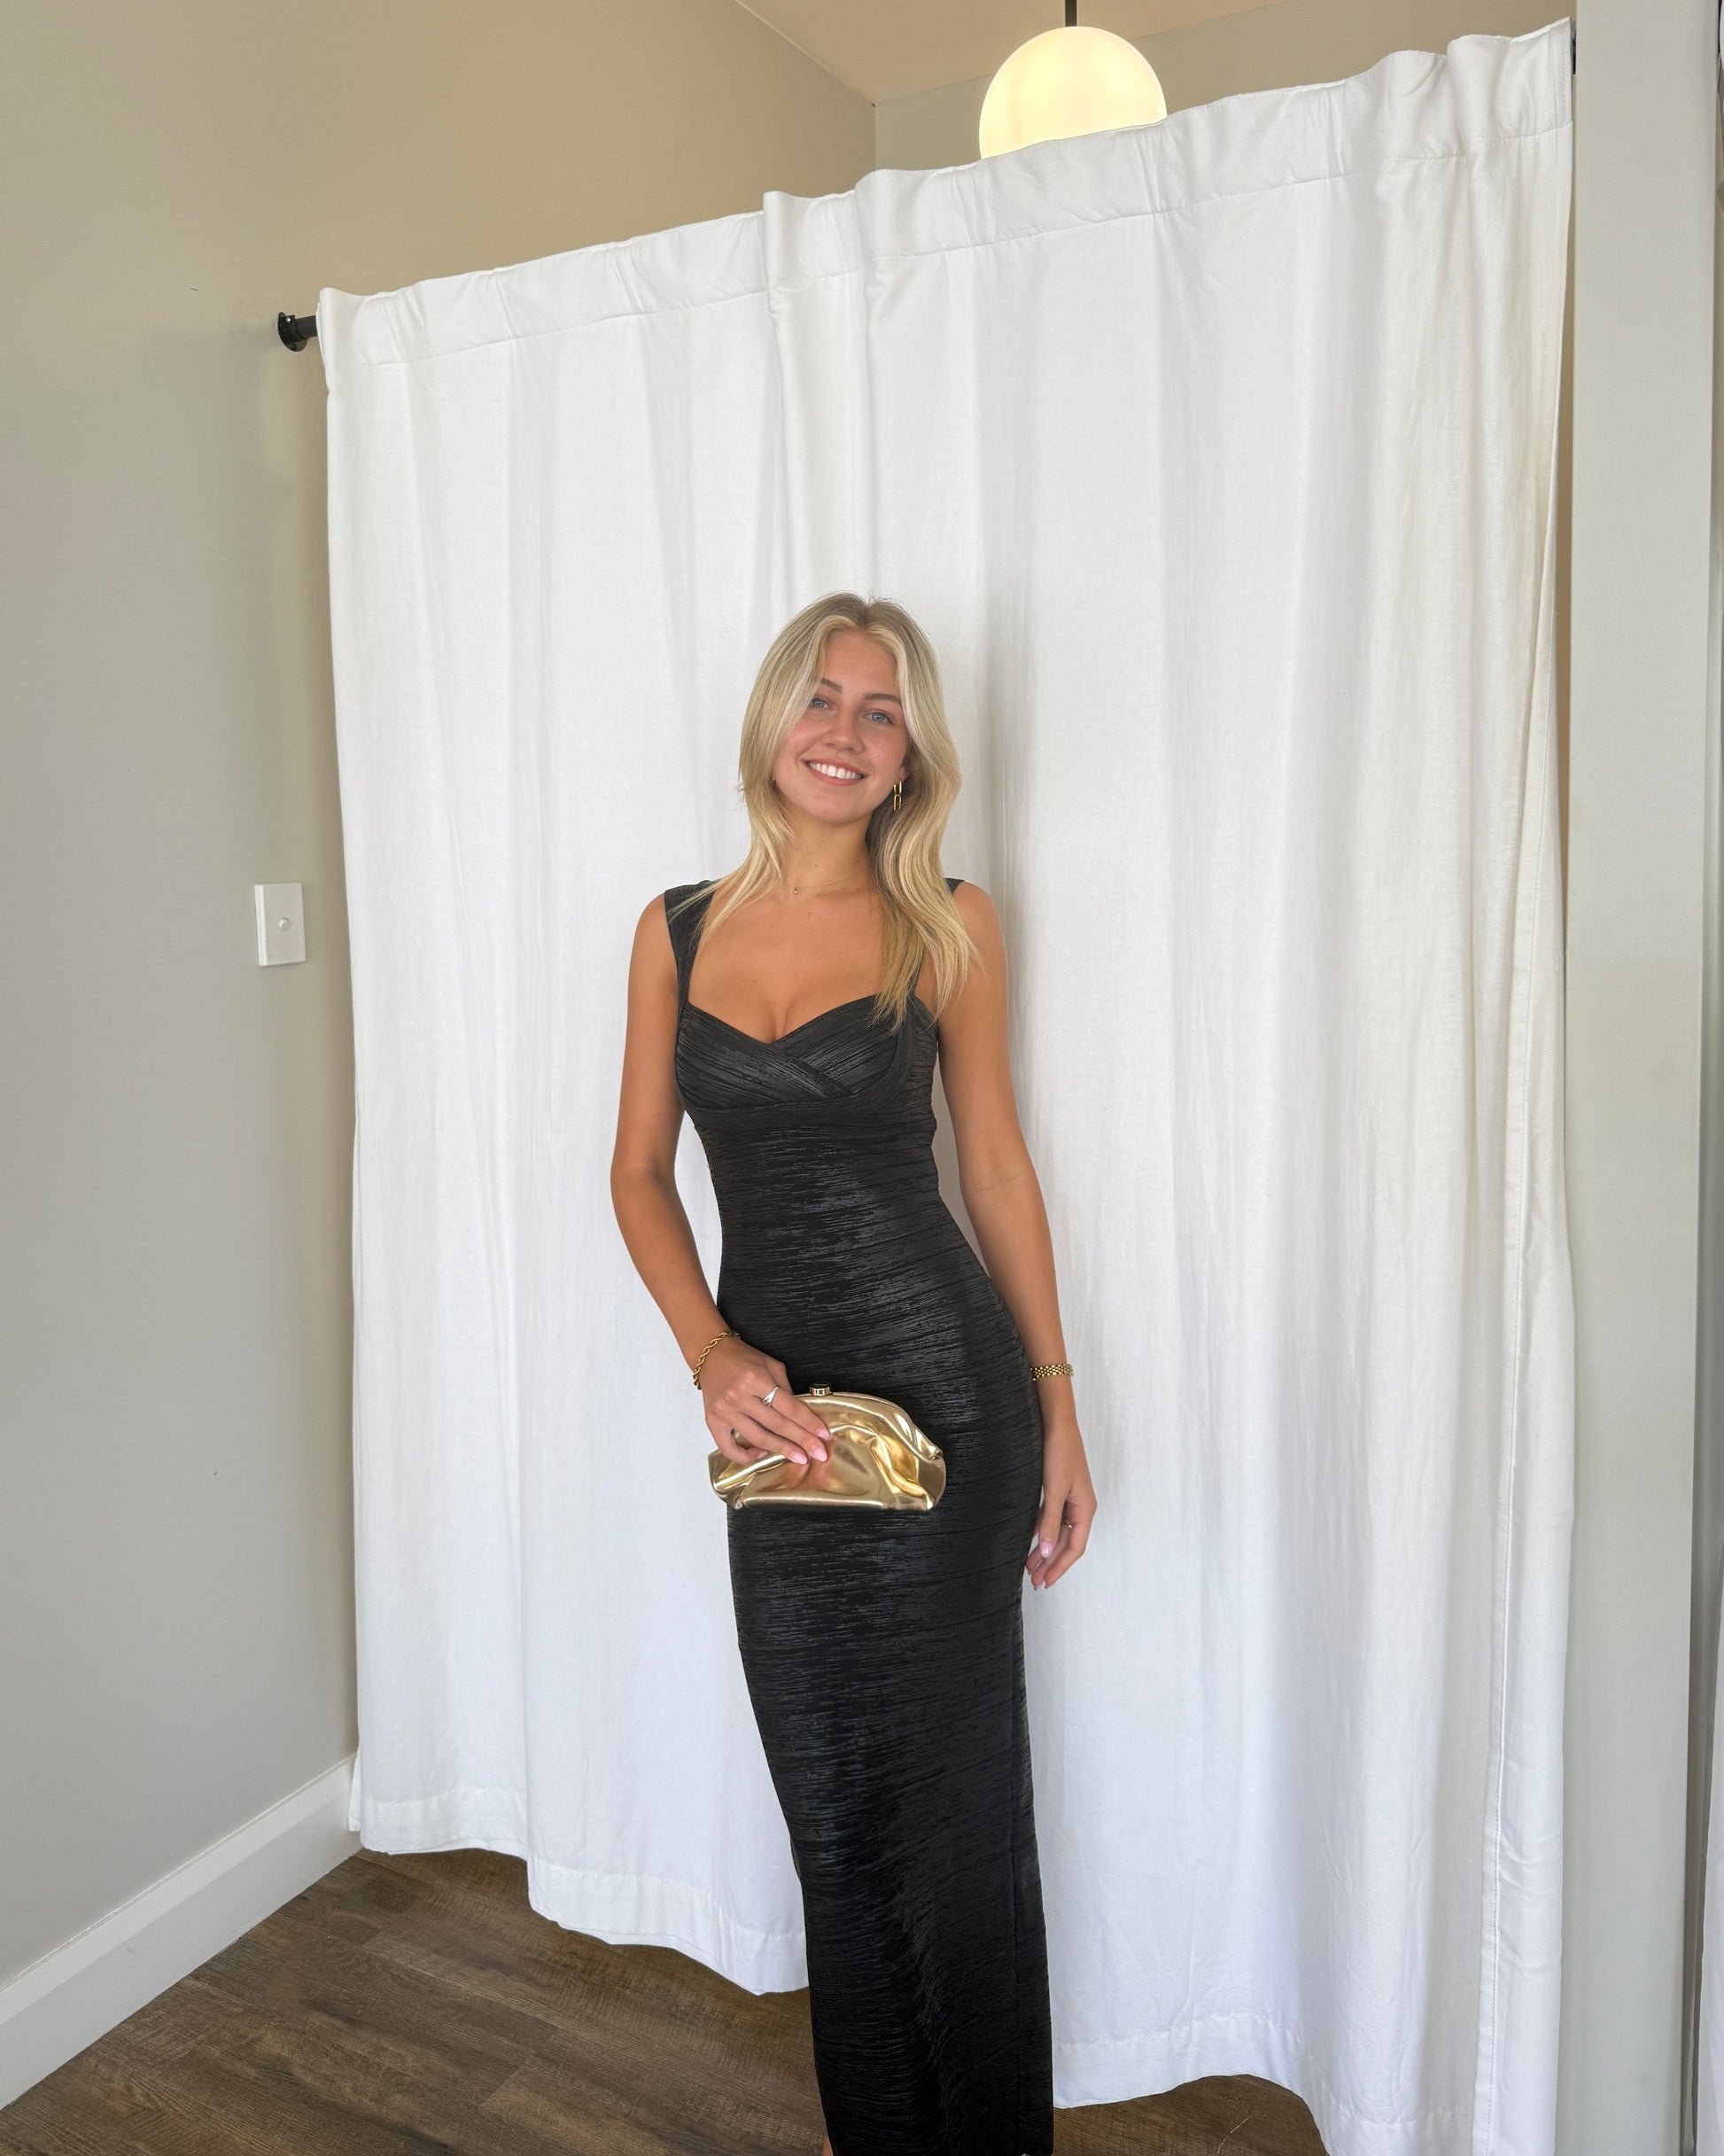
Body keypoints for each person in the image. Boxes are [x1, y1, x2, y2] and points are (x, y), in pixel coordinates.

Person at [610, 591, 1097, 2156]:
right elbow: (636, 1174)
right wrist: (709, 1350)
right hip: (786, 1434)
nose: (843, 731)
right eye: (820, 697)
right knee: (832, 1810)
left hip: (950, 1411)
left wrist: (1060, 1405)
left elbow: (996, 1170)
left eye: (879, 710)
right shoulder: (674, 927)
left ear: (908, 756)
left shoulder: (948, 916)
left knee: (951, 1810)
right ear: (771, 720)